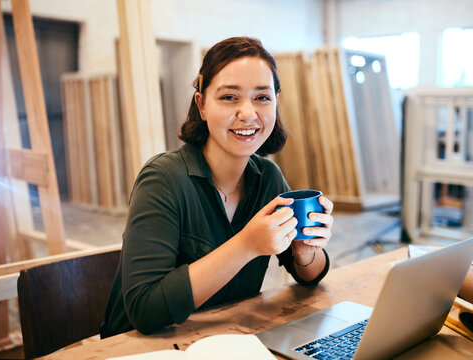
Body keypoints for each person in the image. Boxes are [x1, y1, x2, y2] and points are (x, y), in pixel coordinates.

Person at [100, 36, 334, 337]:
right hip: (142, 348)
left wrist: (305, 252)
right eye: (229, 97)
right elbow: (145, 311)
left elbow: (310, 277)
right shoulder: (162, 179)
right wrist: (246, 245)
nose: (248, 113)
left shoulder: (269, 178)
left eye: (262, 97)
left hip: (226, 341)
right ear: (202, 105)